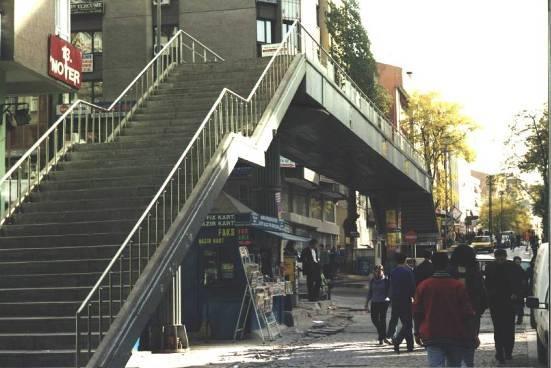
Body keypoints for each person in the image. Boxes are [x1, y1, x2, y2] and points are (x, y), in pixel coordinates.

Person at [413, 252, 476, 368]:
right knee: (455, 365)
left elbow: (417, 312)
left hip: (432, 334)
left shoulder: (424, 286)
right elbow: (467, 313)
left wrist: (417, 332)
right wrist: (473, 335)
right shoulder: (458, 286)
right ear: (447, 264)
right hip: (455, 334)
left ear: (433, 264)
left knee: (435, 365)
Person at [449, 244, 487, 367]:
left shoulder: (449, 271)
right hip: (472, 313)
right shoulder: (475, 272)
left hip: (451, 313)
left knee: (453, 346)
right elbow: (482, 294)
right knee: (469, 345)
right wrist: (478, 311)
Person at [485, 249, 523, 364]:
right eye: (498, 258)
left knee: (509, 328)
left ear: (505, 257)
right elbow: (487, 284)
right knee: (499, 329)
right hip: (496, 303)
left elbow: (521, 282)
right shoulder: (490, 267)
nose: (500, 260)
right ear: (495, 257)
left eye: (502, 258)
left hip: (509, 302)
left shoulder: (513, 267)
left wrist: (516, 294)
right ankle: (500, 352)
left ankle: (508, 351)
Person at [388, 252, 415, 353]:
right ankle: (398, 341)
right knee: (407, 323)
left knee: (406, 324)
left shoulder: (393, 272)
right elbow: (412, 286)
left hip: (395, 300)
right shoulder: (408, 271)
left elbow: (390, 286)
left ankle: (410, 346)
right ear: (405, 260)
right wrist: (413, 296)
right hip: (405, 300)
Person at [365, 264, 390, 345]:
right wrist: (366, 303)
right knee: (374, 319)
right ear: (374, 272)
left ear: (383, 271)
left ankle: (381, 338)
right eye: (377, 271)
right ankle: (383, 335)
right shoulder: (372, 280)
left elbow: (390, 291)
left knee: (382, 320)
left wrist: (389, 299)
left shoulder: (386, 280)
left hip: (383, 303)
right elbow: (370, 292)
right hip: (374, 302)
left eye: (381, 271)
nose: (379, 272)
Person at [513, 256, 527, 325]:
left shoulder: (522, 271)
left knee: (520, 307)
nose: (517, 263)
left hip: (520, 292)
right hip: (512, 292)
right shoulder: (511, 271)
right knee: (512, 307)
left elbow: (524, 282)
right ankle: (514, 319)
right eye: (516, 262)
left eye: (518, 262)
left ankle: (519, 320)